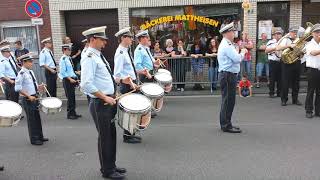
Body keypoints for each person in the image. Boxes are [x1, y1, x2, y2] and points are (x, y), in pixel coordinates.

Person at [80, 26, 127, 179]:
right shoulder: (88, 57)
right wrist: (105, 97)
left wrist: (120, 80)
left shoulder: (98, 55)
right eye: (102, 40)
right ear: (93, 39)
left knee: (111, 135)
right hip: (101, 103)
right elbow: (86, 84)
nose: (105, 43)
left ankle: (111, 165)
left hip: (108, 101)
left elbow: (105, 77)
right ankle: (107, 171)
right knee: (105, 137)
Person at [217, 22, 246, 133]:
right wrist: (243, 52)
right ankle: (226, 125)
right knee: (228, 101)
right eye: (232, 31)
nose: (234, 33)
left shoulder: (228, 44)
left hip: (228, 75)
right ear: (227, 33)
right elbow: (237, 59)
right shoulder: (227, 45)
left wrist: (239, 50)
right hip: (228, 75)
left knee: (229, 100)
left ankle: (227, 123)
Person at [114, 27, 140, 144]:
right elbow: (117, 75)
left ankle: (131, 133)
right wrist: (129, 83)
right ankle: (127, 136)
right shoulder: (120, 53)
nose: (131, 40)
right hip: (127, 86)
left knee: (133, 110)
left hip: (132, 84)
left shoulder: (126, 51)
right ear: (123, 38)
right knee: (129, 111)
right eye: (129, 37)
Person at [15, 53, 48, 145]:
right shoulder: (21, 73)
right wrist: (28, 96)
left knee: (37, 118)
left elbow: (32, 85)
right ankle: (34, 139)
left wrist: (40, 86)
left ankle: (40, 136)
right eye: (29, 62)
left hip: (34, 97)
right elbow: (17, 88)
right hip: (28, 99)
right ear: (24, 62)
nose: (31, 63)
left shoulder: (31, 72)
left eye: (32, 61)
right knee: (32, 120)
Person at [276, 27, 302, 106]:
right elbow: (278, 48)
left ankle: (295, 99)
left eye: (295, 32)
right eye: (293, 32)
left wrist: (301, 52)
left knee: (296, 82)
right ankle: (284, 99)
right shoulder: (285, 39)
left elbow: (301, 50)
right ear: (289, 32)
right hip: (286, 63)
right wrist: (289, 45)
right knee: (285, 82)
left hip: (296, 62)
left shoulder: (299, 40)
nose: (294, 33)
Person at [59, 43, 82, 120]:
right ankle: (70, 114)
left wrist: (76, 72)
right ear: (64, 50)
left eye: (70, 50)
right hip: (67, 80)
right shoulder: (63, 59)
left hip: (72, 78)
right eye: (69, 50)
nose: (70, 51)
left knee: (72, 97)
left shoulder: (68, 58)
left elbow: (69, 70)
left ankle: (73, 112)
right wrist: (70, 79)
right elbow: (62, 72)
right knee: (70, 97)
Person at [304, 24, 320, 118]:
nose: (318, 34)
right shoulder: (309, 44)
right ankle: (309, 110)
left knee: (319, 92)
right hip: (312, 70)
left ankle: (318, 111)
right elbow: (313, 53)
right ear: (312, 33)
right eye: (317, 32)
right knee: (311, 91)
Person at [265, 28, 283, 98]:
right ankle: (271, 93)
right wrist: (275, 48)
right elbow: (266, 51)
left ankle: (279, 93)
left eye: (280, 34)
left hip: (281, 61)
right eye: (277, 34)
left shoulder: (283, 42)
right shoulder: (271, 42)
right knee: (272, 78)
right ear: (274, 35)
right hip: (273, 62)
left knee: (280, 78)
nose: (278, 35)